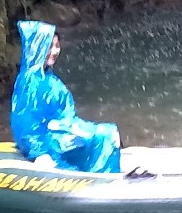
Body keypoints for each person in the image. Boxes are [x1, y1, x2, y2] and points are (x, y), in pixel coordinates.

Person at [10, 20, 123, 174]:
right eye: (49, 46)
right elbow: (26, 123)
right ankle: (105, 178)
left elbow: (65, 116)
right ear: (37, 47)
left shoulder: (47, 78)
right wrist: (39, 154)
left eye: (57, 46)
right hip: (50, 142)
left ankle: (105, 173)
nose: (55, 51)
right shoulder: (31, 81)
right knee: (106, 135)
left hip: (61, 133)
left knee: (108, 133)